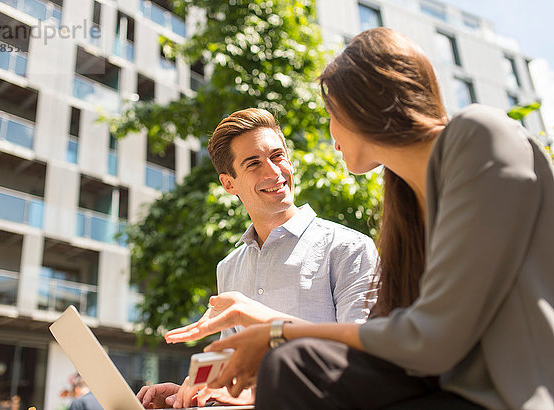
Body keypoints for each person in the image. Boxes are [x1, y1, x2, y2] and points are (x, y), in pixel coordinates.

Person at [201, 27, 554, 409]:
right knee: (293, 368)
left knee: (291, 361)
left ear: (364, 107)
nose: (332, 138)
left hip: (506, 393)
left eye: (332, 115)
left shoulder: (481, 136)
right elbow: (390, 331)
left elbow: (431, 338)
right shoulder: (404, 201)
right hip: (439, 382)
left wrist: (277, 331)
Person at [137, 108, 378, 408]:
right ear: (229, 184)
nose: (274, 172)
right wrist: (191, 394)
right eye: (253, 163)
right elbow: (228, 371)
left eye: (277, 156)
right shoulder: (228, 267)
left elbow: (362, 358)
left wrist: (249, 391)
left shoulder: (348, 247)